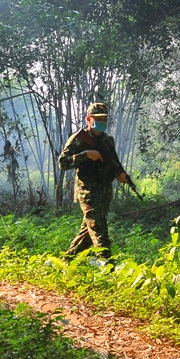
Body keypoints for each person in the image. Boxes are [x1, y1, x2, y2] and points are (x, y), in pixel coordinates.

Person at [58, 102, 132, 260]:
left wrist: (121, 174)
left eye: (104, 119)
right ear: (88, 119)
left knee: (88, 231)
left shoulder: (108, 140)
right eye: (97, 118)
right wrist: (85, 155)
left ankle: (65, 262)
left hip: (104, 191)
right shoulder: (78, 139)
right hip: (87, 192)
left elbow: (114, 162)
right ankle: (106, 264)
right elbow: (63, 163)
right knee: (98, 228)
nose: (101, 122)